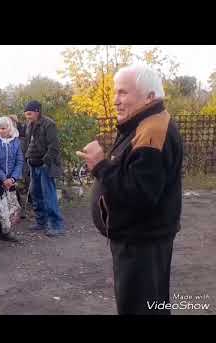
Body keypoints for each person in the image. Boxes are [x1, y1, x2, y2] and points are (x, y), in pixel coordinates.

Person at [77, 64, 183, 315]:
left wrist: (100, 166)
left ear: (149, 97)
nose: (116, 100)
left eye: (123, 93)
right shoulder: (144, 124)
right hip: (139, 242)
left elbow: (140, 195)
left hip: (141, 244)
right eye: (115, 93)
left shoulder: (152, 132)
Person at [23, 100, 65, 237]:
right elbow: (29, 143)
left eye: (29, 114)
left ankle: (56, 225)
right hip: (33, 164)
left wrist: (44, 161)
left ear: (37, 111)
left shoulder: (49, 124)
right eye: (26, 114)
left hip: (45, 165)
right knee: (36, 194)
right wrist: (27, 158)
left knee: (49, 195)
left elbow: (54, 146)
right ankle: (41, 222)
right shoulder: (29, 125)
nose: (27, 117)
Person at [0, 116, 24, 250]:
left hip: (10, 182)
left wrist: (12, 179)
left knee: (8, 209)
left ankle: (5, 232)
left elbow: (19, 161)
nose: (1, 131)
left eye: (3, 128)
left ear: (9, 128)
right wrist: (3, 178)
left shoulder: (16, 142)